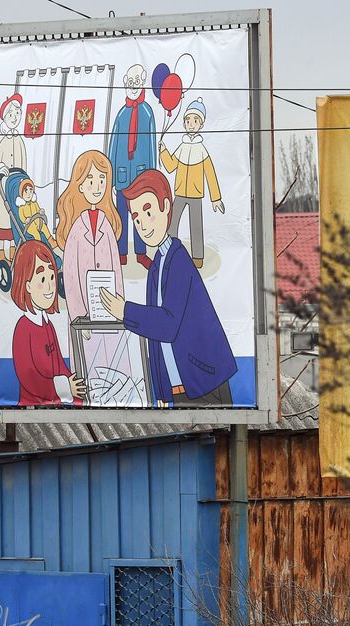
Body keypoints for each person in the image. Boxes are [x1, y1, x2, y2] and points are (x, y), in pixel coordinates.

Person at [99, 169, 237, 406]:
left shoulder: (179, 258)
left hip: (204, 379)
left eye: (148, 212)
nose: (142, 224)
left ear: (165, 207)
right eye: (136, 218)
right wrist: (162, 392)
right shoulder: (156, 266)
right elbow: (155, 339)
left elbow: (167, 325)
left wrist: (125, 311)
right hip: (180, 387)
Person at [9, 239, 84, 406]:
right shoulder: (23, 328)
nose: (50, 286)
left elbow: (59, 366)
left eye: (51, 277)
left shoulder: (48, 325)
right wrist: (65, 387)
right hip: (31, 408)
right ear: (27, 285)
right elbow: (29, 378)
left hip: (53, 404)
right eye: (42, 280)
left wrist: (76, 388)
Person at [56, 149, 124, 322]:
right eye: (90, 180)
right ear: (80, 185)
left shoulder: (106, 225)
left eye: (102, 180)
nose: (97, 187)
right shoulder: (76, 230)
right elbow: (70, 276)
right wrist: (78, 315)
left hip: (110, 312)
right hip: (83, 314)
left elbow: (116, 269)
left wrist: (120, 307)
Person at [158, 98, 224, 268]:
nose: (191, 124)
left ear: (201, 124)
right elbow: (171, 166)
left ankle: (198, 258)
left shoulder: (202, 149)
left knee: (196, 226)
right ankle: (169, 251)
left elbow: (210, 174)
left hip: (195, 194)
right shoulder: (182, 146)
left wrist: (215, 198)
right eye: (188, 120)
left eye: (195, 120)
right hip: (180, 192)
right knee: (172, 223)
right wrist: (163, 151)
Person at [107, 63, 157, 266]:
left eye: (136, 82)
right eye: (130, 82)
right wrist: (109, 176)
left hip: (140, 176)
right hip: (121, 176)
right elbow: (113, 144)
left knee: (140, 214)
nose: (133, 86)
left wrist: (153, 175)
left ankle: (141, 252)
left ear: (142, 82)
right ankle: (121, 253)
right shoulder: (121, 114)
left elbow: (151, 144)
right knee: (121, 216)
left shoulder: (147, 112)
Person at [0, 93, 28, 264]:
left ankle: (14, 250)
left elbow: (24, 162)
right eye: (11, 115)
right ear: (5, 117)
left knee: (15, 219)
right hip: (3, 188)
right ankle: (1, 252)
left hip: (16, 187)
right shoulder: (3, 142)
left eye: (17, 114)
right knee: (3, 222)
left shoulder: (19, 140)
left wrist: (25, 180)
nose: (14, 118)